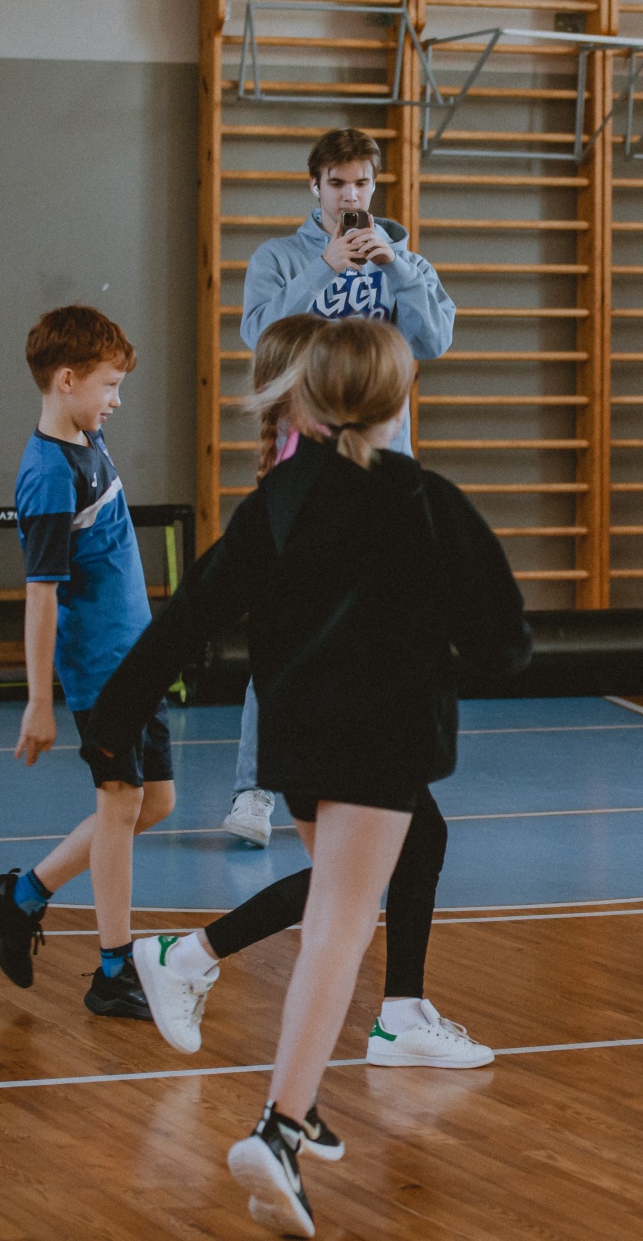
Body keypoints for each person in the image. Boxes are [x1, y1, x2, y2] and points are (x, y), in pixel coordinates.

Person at [74, 318, 528, 1234]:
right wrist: (438, 655)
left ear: (309, 399)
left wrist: (112, 724)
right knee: (341, 925)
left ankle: (294, 1108)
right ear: (398, 402)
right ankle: (280, 1126)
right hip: (384, 742)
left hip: (296, 744)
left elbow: (186, 617)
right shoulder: (427, 499)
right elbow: (504, 647)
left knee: (334, 913)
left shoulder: (277, 501)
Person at [132, 313, 493, 1072]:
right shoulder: (317, 480)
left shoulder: (317, 466)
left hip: (339, 707)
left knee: (400, 850)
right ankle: (196, 960)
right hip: (334, 713)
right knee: (361, 873)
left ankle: (391, 1012)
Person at [224, 126, 456, 846]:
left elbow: (434, 341)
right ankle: (255, 789)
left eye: (361, 182)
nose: (350, 196)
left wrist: (399, 269)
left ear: (374, 186)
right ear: (315, 188)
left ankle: (374, 778)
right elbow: (261, 338)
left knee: (384, 629)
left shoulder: (405, 260)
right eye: (337, 184)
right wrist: (323, 269)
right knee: (289, 625)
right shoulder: (280, 258)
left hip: (384, 470)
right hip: (304, 464)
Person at [0, 306, 174, 1022]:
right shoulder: (48, 475)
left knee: (155, 802)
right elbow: (41, 597)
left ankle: (20, 895)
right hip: (103, 670)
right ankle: (114, 970)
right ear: (66, 380)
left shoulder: (87, 438)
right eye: (108, 385)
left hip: (137, 658)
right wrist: (39, 700)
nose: (116, 399)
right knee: (119, 806)